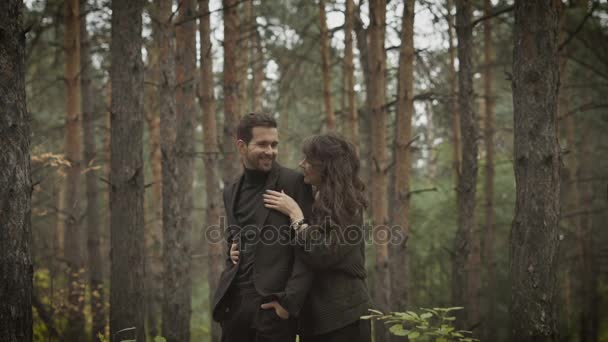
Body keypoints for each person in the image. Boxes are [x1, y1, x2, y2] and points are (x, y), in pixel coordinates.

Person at [235, 133, 371, 342]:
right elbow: (286, 246)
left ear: (327, 166)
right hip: (312, 319)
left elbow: (320, 253)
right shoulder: (315, 197)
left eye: (308, 160)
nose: (301, 164)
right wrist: (240, 247)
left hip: (344, 317)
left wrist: (296, 216)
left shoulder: (348, 206)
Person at [212, 113, 314, 342]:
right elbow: (235, 238)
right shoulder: (231, 191)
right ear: (241, 146)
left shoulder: (294, 182)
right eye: (262, 144)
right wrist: (232, 252)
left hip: (273, 309)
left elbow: (307, 249)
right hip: (235, 307)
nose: (270, 151)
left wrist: (289, 303)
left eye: (274, 144)